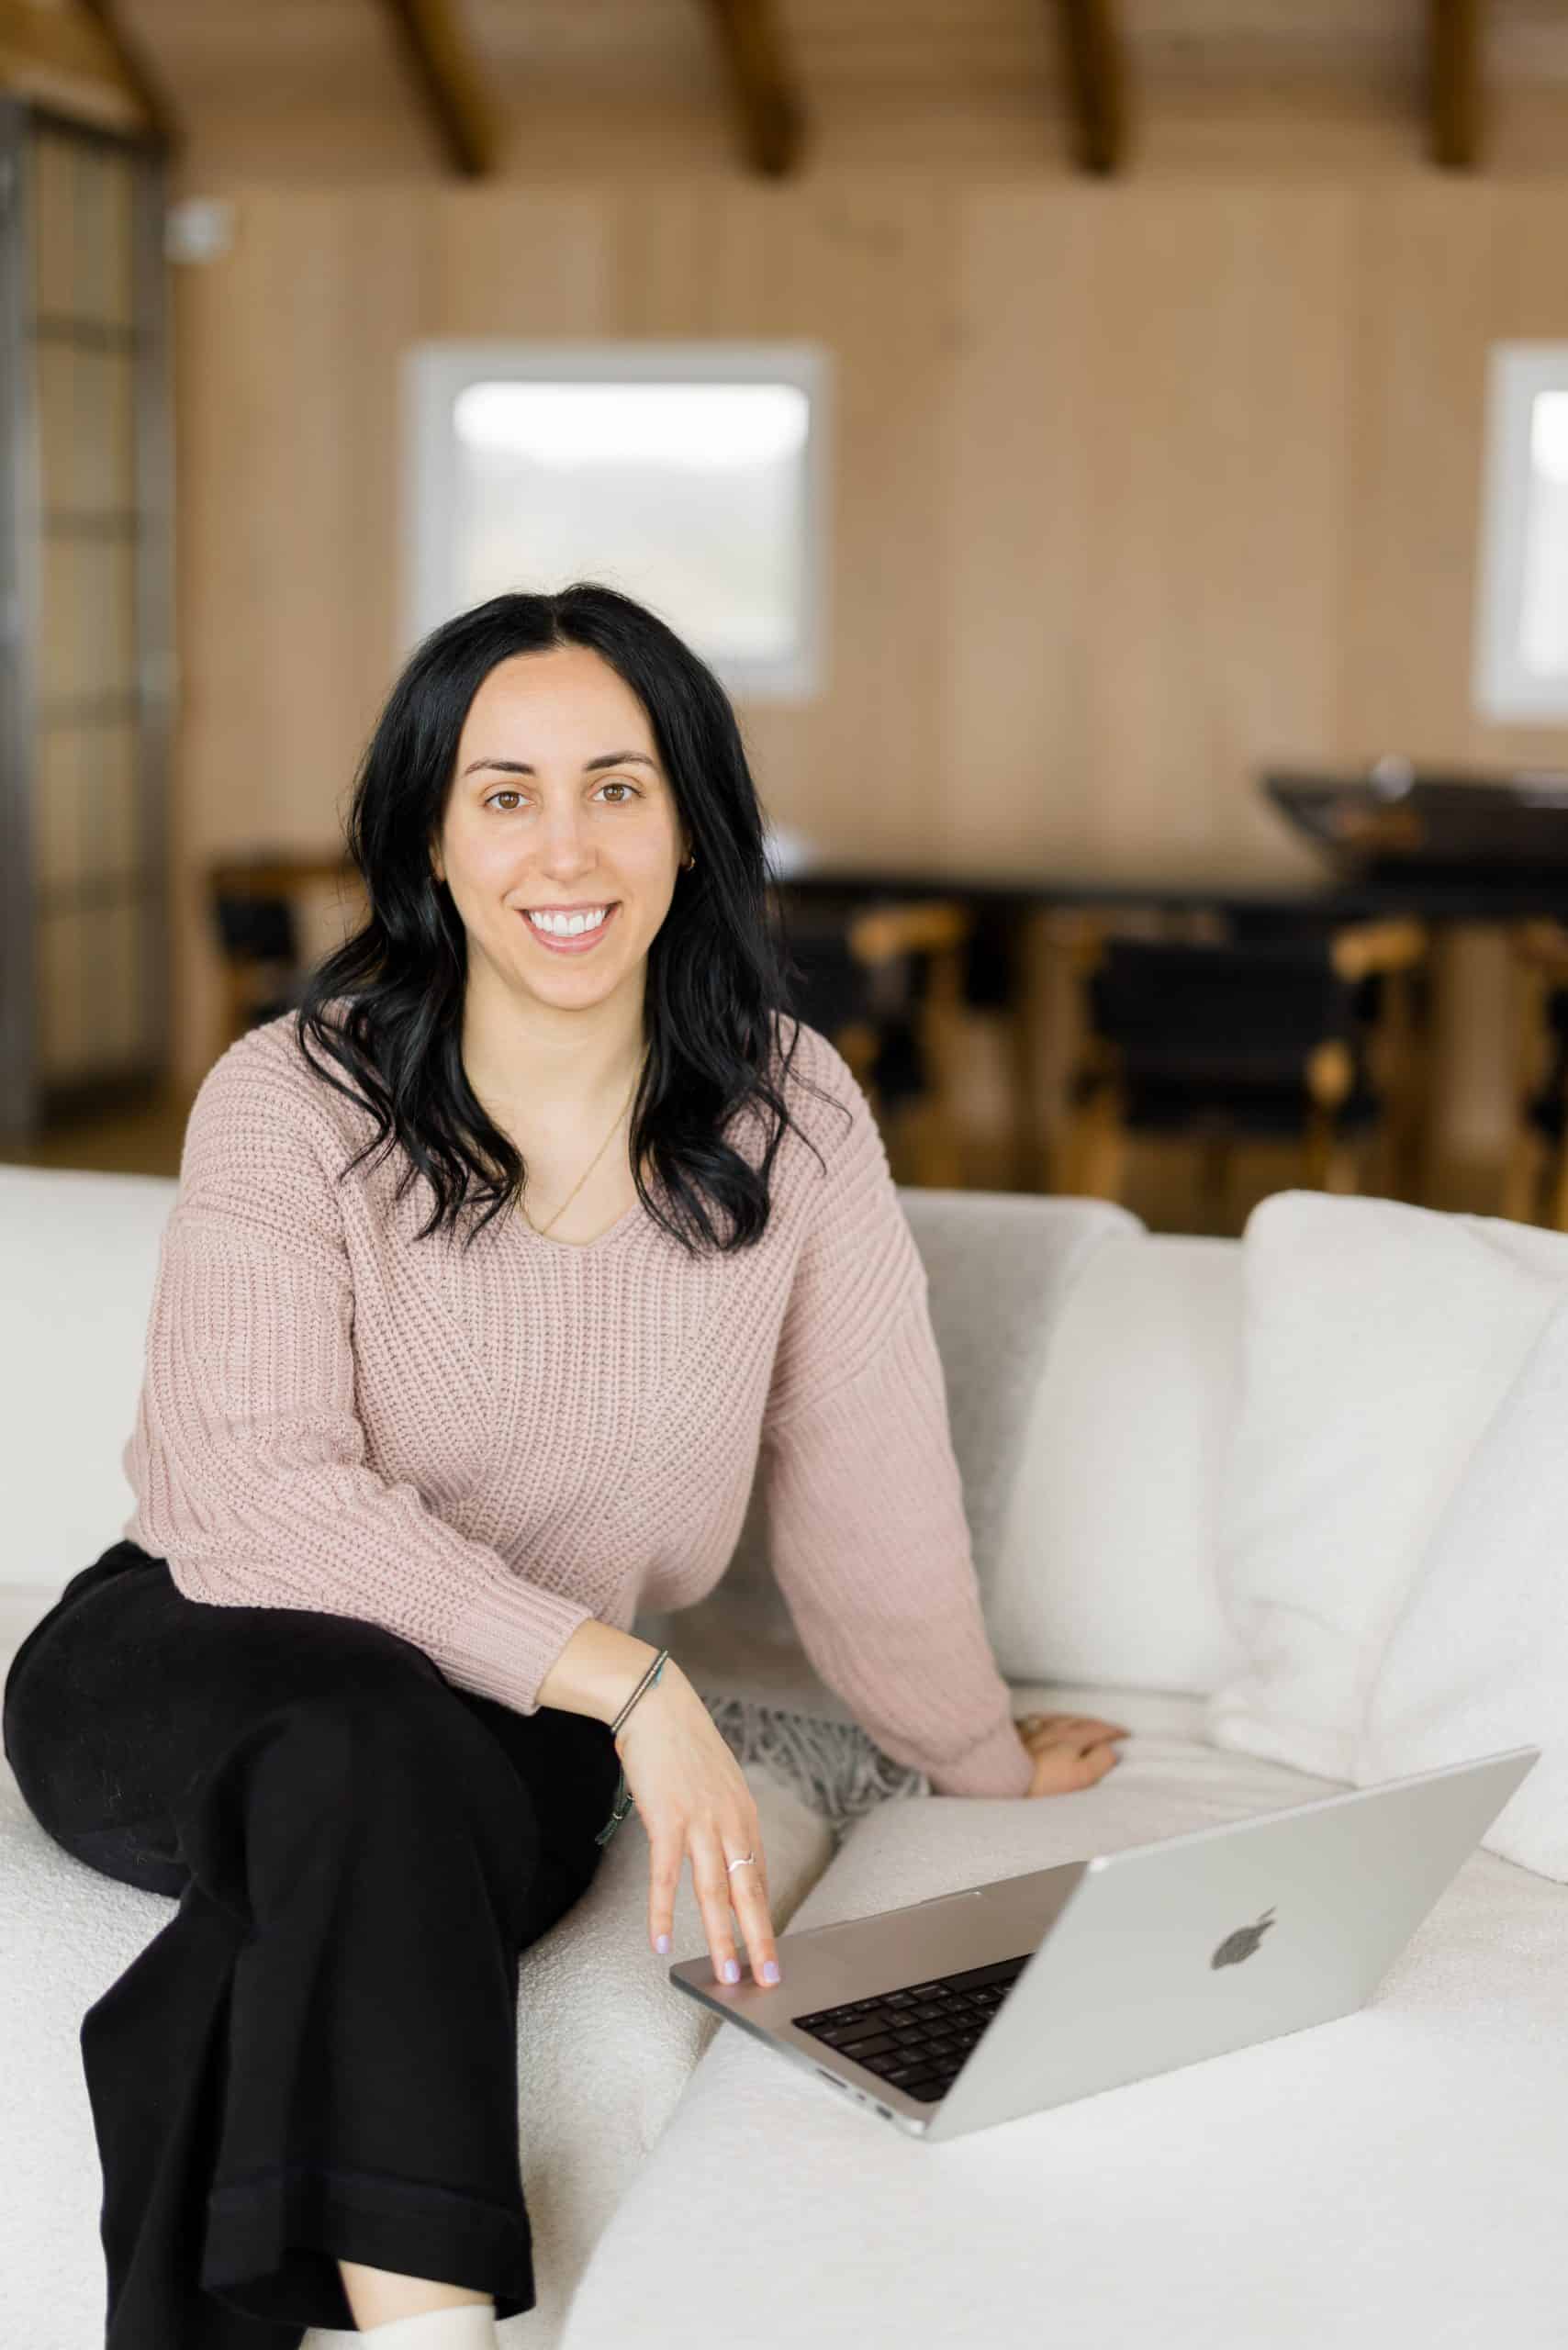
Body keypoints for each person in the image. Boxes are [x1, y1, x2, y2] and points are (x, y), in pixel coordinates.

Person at [2, 582, 1128, 2350]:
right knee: (357, 1737)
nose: (565, 846)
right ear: (432, 845)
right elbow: (245, 1497)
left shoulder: (794, 1115)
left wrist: (972, 1759)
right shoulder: (291, 1099)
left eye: (618, 784)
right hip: (187, 1662)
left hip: (489, 1750)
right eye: (503, 793)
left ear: (692, 823)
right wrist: (635, 1684)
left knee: (369, 1801)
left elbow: (871, 1493)